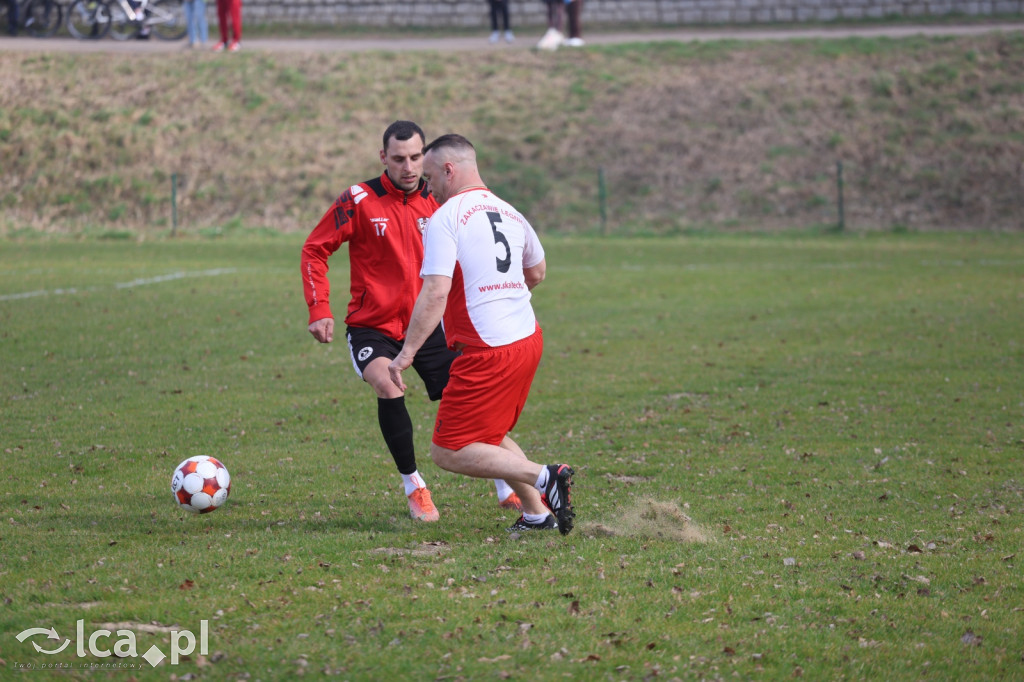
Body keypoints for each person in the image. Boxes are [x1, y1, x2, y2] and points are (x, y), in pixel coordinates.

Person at [301, 121, 523, 523]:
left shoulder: (441, 200)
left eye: (417, 158)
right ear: (383, 157)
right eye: (399, 158)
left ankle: (507, 485)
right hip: (373, 327)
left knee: (472, 404)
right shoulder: (358, 199)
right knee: (387, 382)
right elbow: (315, 249)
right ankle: (414, 486)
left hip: (430, 327)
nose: (409, 167)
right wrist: (320, 309)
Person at [388, 134, 576, 535]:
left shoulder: (447, 217)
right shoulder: (509, 211)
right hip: (527, 336)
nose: (429, 186)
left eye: (431, 176)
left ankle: (546, 477)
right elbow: (537, 272)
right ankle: (537, 515)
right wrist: (504, 294)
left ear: (449, 170)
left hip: (488, 348)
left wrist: (406, 354)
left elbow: (435, 291)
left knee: (448, 449)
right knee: (490, 434)